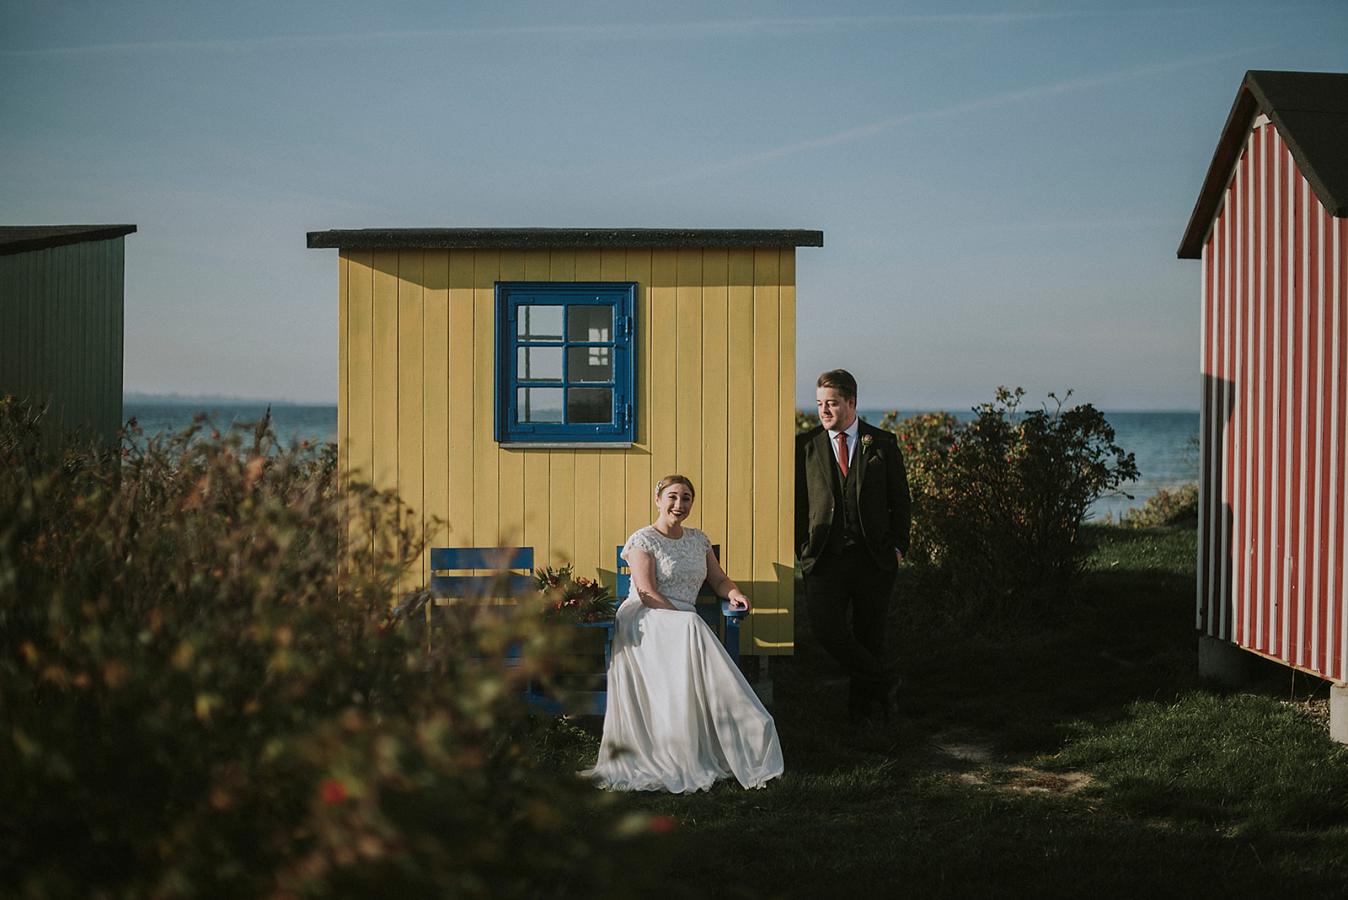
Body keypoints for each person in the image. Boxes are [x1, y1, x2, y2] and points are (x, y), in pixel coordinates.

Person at [581, 475, 784, 792]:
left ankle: (745, 731)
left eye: (686, 498)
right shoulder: (643, 540)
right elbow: (647, 593)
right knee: (691, 626)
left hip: (683, 623)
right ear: (658, 499)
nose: (679, 504)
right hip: (646, 618)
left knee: (691, 627)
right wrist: (684, 618)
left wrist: (734, 593)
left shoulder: (698, 539)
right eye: (673, 497)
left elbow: (718, 579)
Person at [795, 368, 911, 725]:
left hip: (874, 558)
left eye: (831, 403)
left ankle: (862, 716)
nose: (824, 411)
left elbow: (900, 501)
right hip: (825, 560)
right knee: (825, 628)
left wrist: (898, 548)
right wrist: (803, 550)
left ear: (852, 403)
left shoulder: (883, 444)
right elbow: (798, 504)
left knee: (869, 635)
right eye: (819, 404)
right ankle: (886, 681)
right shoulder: (805, 446)